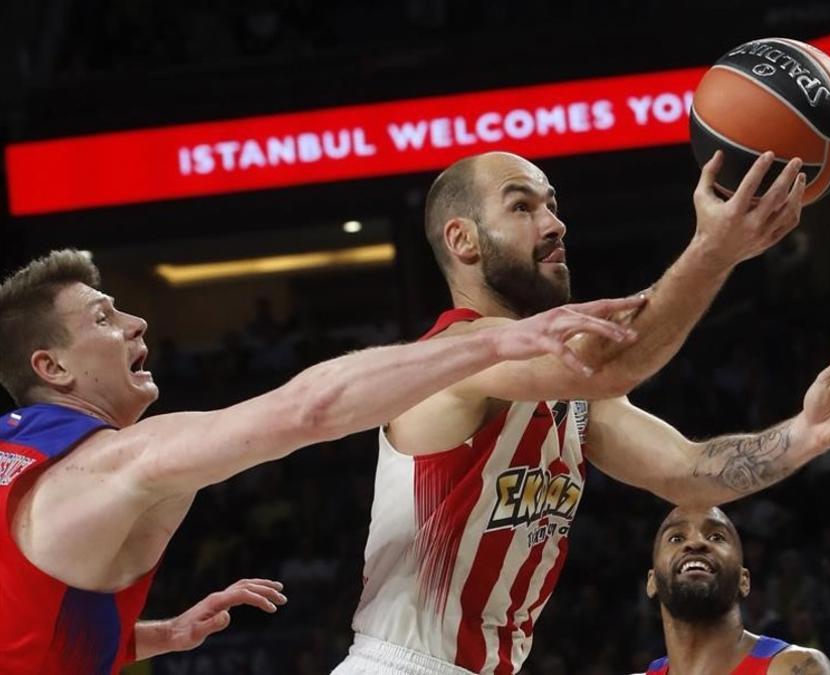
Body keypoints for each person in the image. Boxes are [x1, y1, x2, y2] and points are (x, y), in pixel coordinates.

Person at [337, 149, 830, 674]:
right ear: (463, 240)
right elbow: (611, 364)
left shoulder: (573, 397)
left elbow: (688, 471)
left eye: (553, 206)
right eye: (522, 206)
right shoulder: (454, 356)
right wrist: (714, 250)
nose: (555, 224)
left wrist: (807, 434)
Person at [0, 249, 643, 673]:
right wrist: (496, 342)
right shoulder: (111, 466)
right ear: (51, 368)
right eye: (105, 318)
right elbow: (307, 410)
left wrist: (152, 636)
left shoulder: (16, 455)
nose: (137, 322)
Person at [642, 505, 830, 674]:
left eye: (716, 537)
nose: (695, 542)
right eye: (676, 538)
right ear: (652, 582)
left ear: (744, 581)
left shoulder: (795, 668)